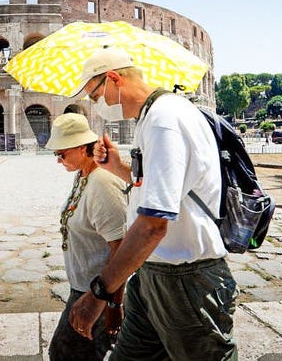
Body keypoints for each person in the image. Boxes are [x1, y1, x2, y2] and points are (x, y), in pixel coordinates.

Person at [67, 47, 238, 360]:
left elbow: (153, 225)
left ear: (113, 79)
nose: (95, 106)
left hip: (186, 279)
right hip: (153, 273)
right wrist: (117, 167)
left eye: (94, 96)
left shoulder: (164, 119)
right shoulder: (152, 116)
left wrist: (99, 293)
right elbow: (158, 190)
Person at [45, 113, 127, 361]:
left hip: (99, 292)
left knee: (66, 353)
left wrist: (113, 304)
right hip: (83, 287)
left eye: (62, 154)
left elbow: (121, 248)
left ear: (82, 148)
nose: (58, 160)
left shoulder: (102, 182)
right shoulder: (83, 175)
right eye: (55, 154)